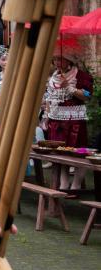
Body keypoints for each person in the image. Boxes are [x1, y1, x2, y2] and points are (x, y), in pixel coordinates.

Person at [43, 52, 94, 190]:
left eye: (60, 59)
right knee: (60, 153)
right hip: (56, 120)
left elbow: (87, 96)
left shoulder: (81, 76)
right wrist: (47, 116)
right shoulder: (54, 76)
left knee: (78, 152)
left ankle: (76, 184)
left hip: (74, 120)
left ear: (69, 60)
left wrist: (69, 87)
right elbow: (49, 98)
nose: (57, 62)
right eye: (55, 59)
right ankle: (64, 183)